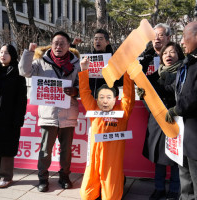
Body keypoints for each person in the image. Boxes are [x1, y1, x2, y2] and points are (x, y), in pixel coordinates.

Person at [18, 31, 80, 192]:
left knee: (66, 150)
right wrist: (29, 52)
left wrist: (75, 90)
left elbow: (83, 85)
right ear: (51, 45)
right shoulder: (41, 62)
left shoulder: (76, 64)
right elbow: (24, 72)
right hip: (48, 114)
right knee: (45, 149)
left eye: (62, 43)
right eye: (55, 43)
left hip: (68, 114)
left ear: (68, 46)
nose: (58, 46)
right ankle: (43, 178)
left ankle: (64, 176)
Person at [79, 56, 135, 200]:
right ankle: (100, 186)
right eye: (102, 96)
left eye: (109, 96)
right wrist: (84, 70)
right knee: (86, 196)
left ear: (115, 97)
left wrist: (128, 72)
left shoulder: (123, 111)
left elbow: (128, 95)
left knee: (111, 198)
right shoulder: (93, 107)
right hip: (94, 158)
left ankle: (119, 179)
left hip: (112, 162)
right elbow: (85, 92)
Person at [139, 24, 182, 200]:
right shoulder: (154, 75)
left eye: (171, 52)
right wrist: (145, 96)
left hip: (176, 119)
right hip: (157, 121)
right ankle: (158, 188)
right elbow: (144, 87)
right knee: (159, 157)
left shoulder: (184, 71)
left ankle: (174, 189)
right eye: (165, 53)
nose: (168, 56)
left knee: (175, 158)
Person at [165, 21, 197, 200]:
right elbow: (177, 89)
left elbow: (193, 96)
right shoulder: (187, 63)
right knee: (185, 179)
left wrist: (177, 109)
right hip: (183, 135)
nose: (182, 42)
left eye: (185, 37)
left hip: (194, 134)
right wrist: (150, 88)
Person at [0, 44, 27, 188]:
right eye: (1, 52)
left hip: (10, 118)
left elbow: (21, 100)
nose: (3, 55)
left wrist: (18, 119)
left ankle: (6, 176)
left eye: (7, 53)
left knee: (7, 147)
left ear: (13, 55)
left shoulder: (18, 74)